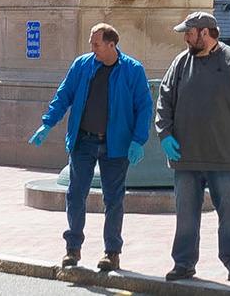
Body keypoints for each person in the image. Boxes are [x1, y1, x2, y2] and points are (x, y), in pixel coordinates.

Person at [29, 23, 153, 271]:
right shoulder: (82, 65)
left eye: (96, 43)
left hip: (115, 145)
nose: (91, 48)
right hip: (83, 141)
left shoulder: (132, 70)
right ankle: (72, 249)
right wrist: (47, 124)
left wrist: (138, 140)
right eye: (91, 43)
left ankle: (112, 253)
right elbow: (64, 95)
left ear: (111, 44)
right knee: (75, 195)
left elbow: (144, 107)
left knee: (114, 200)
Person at [155, 11, 230, 282]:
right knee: (186, 216)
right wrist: (164, 134)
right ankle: (183, 263)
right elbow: (164, 101)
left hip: (224, 157)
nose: (185, 38)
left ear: (205, 33)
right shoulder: (181, 63)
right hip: (186, 158)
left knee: (229, 213)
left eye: (189, 33)